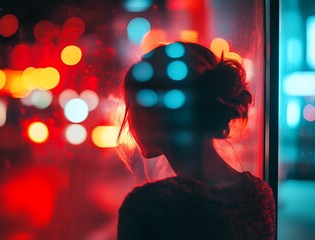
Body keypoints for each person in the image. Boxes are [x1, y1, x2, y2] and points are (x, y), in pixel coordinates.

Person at [117, 42, 275, 240]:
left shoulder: (150, 206)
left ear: (153, 113)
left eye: (132, 103)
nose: (129, 119)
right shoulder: (260, 194)